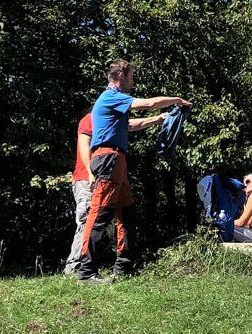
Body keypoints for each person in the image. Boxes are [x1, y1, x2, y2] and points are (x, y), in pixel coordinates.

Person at [76, 60, 190, 283]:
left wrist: (158, 119)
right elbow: (147, 103)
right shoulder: (110, 96)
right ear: (120, 76)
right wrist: (176, 100)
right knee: (100, 214)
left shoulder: (114, 105)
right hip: (108, 158)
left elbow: (130, 125)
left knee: (125, 213)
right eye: (131, 77)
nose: (133, 81)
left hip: (117, 160)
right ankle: (86, 271)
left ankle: (123, 265)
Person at [64, 108, 164, 274]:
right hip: (88, 178)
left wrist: (158, 118)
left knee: (118, 217)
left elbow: (132, 124)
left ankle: (119, 265)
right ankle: (75, 267)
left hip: (104, 174)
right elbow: (83, 144)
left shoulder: (111, 123)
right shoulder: (90, 119)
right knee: (89, 219)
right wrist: (90, 173)